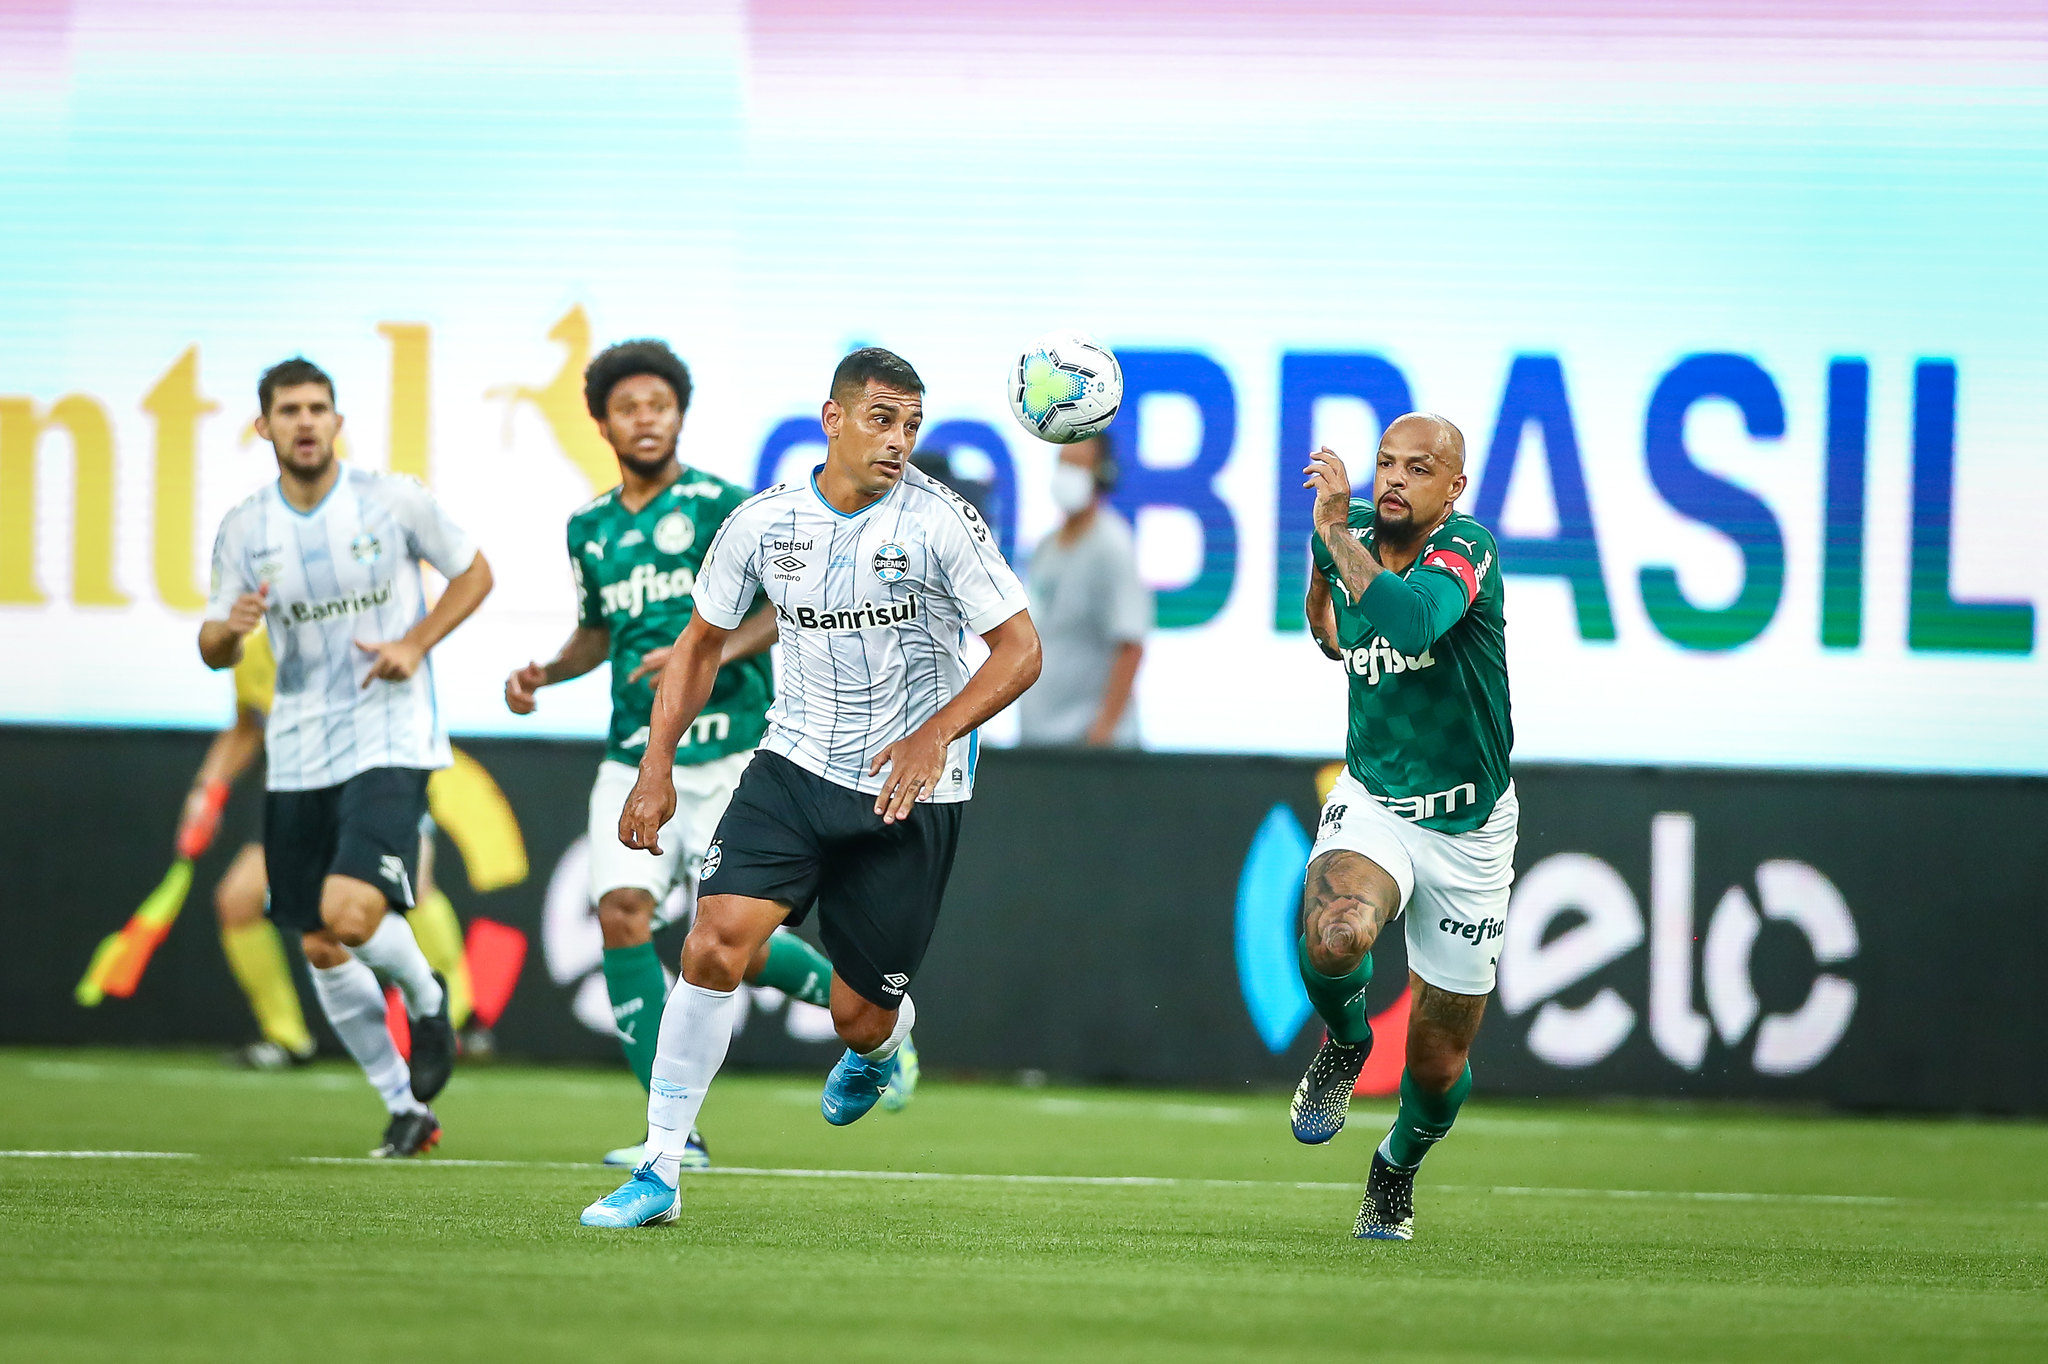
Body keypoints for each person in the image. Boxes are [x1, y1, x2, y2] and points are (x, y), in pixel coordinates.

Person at [580, 346, 1041, 1228]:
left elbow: (1021, 651)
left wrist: (933, 735)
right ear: (833, 420)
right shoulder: (763, 523)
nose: (898, 440)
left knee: (857, 1018)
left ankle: (883, 1045)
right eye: (881, 419)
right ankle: (659, 1167)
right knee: (712, 945)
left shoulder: (942, 523)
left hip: (911, 790)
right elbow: (700, 645)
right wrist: (654, 766)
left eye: (911, 425)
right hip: (792, 767)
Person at [505, 339, 847, 1169]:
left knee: (740, 947)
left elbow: (785, 610)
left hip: (733, 751)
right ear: (602, 424)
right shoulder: (588, 528)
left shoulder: (725, 507)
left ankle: (875, 1025)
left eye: (658, 404)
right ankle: (675, 1136)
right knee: (621, 913)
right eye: (627, 408)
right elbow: (599, 632)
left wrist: (709, 654)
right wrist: (547, 671)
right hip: (635, 750)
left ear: (680, 415)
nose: (645, 419)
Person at [200, 356, 494, 1158]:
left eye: (317, 408)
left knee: (352, 913)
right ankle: (406, 1108)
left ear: (336, 421)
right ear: (264, 426)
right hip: (298, 753)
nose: (304, 421)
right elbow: (213, 646)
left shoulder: (391, 500)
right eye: (288, 410)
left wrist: (415, 643)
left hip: (389, 737)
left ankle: (428, 996)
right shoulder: (245, 529)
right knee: (322, 943)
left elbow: (475, 573)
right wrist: (229, 631)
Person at [1291, 413, 1515, 1241]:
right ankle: (1347, 1043)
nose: (1394, 478)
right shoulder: (1344, 531)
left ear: (1454, 488)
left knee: (1438, 1065)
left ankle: (1396, 1167)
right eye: (1386, 462)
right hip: (1377, 795)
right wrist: (1323, 573)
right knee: (1336, 935)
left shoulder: (1467, 548)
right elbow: (1331, 636)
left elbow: (1415, 622)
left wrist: (1330, 541)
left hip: (1468, 824)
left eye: (1419, 468)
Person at [185, 629, 481, 1071]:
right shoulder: (253, 648)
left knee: (412, 886)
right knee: (238, 898)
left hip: (376, 783)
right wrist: (207, 791)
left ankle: (459, 1018)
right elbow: (248, 726)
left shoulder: (353, 626)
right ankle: (286, 1038)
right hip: (302, 792)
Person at [1016, 429, 1151, 747]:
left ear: (1101, 474)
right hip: (1041, 738)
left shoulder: (1111, 546)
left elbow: (1130, 644)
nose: (1067, 474)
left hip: (1090, 746)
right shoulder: (1046, 548)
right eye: (1063, 463)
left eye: (1077, 464)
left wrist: (1102, 733)